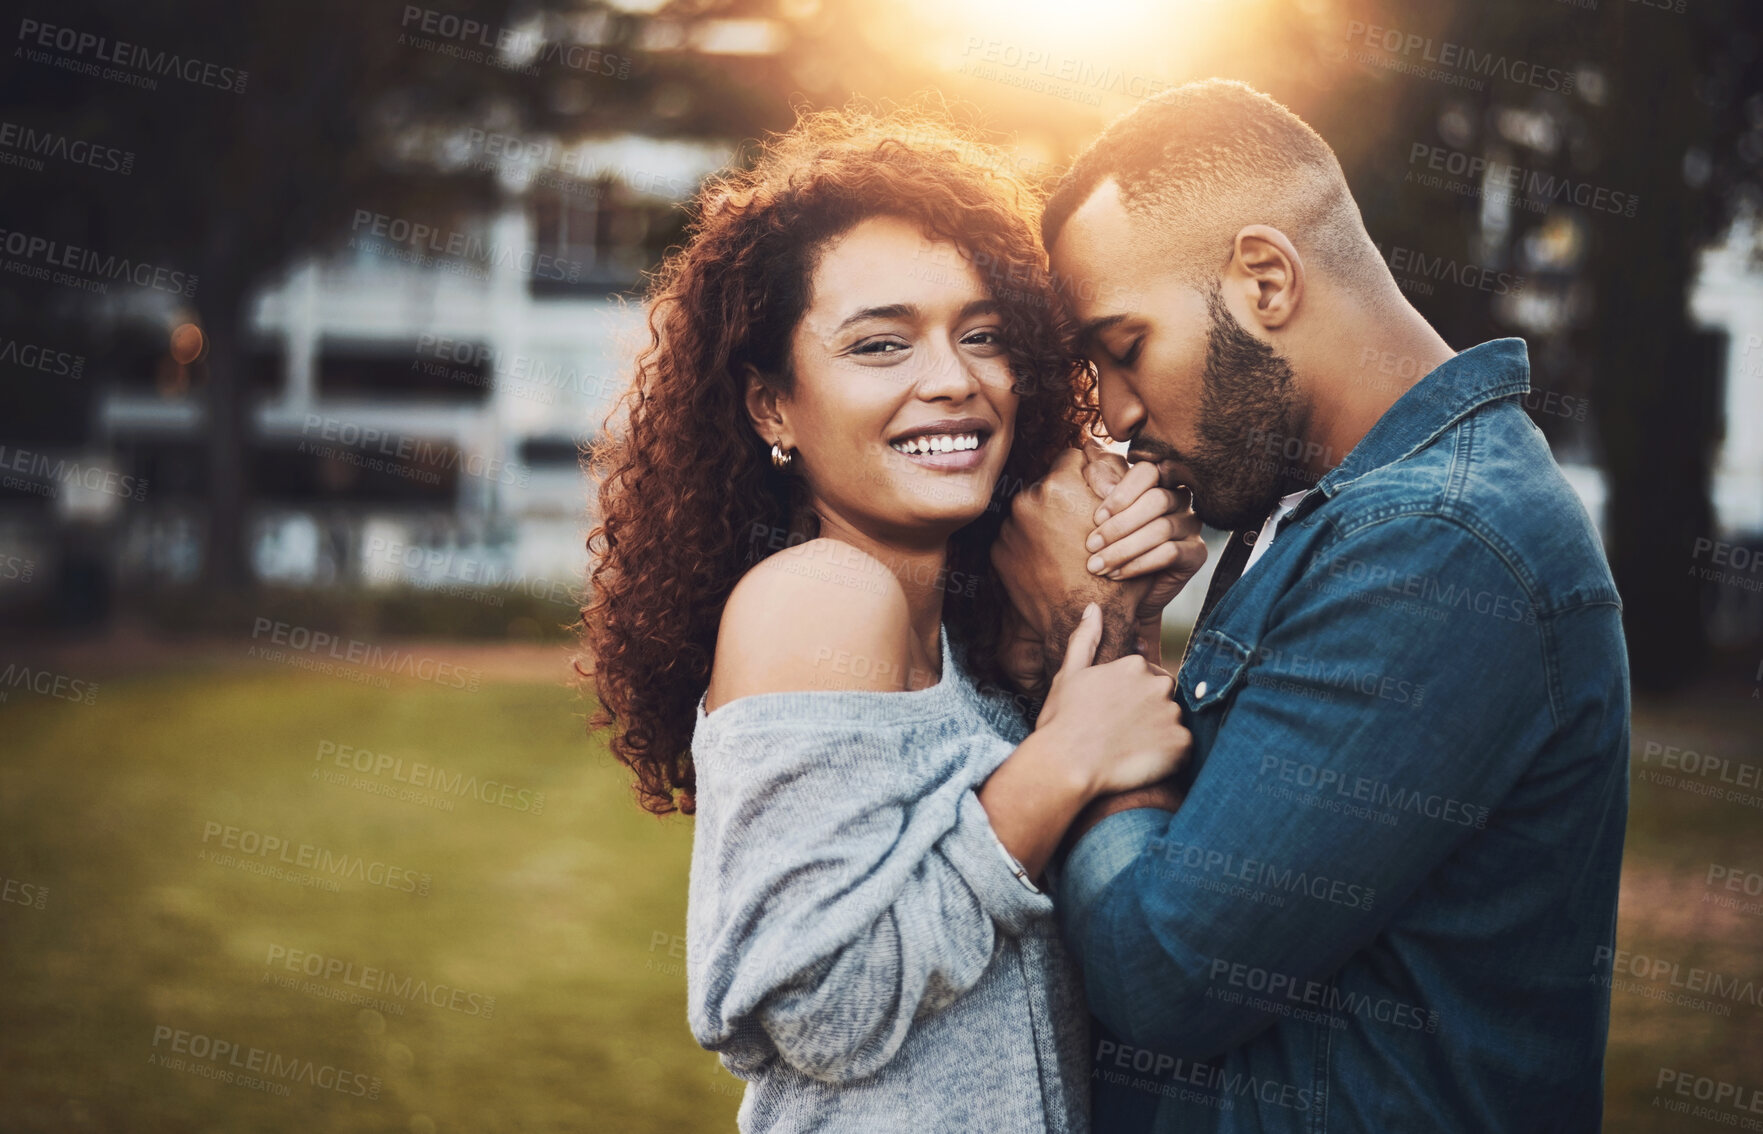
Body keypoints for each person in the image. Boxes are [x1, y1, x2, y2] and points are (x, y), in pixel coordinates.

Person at [992, 80, 1630, 1132]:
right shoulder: (1317, 512)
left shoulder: (1435, 547)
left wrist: (1090, 642)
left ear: (1263, 279)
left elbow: (1167, 976)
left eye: (1124, 347)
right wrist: (1129, 638)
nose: (1114, 414)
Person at [582, 109, 1204, 1133]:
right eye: (879, 343)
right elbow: (815, 1007)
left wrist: (1113, 613)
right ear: (770, 407)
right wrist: (1055, 765)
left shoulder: (962, 635)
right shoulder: (822, 597)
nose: (951, 379)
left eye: (982, 335)